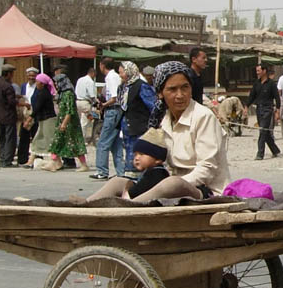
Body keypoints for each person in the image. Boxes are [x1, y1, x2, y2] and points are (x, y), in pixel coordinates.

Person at [135, 61, 231, 199]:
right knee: (119, 182)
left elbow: (207, 169)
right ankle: (93, 208)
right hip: (174, 188)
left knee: (172, 183)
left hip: (206, 191)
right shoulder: (164, 120)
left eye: (185, 87)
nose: (180, 95)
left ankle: (130, 206)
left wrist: (174, 184)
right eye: (172, 89)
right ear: (160, 93)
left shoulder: (203, 117)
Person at [87, 127, 172, 202]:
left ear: (157, 159)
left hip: (145, 204)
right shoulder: (151, 170)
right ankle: (88, 203)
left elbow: (139, 190)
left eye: (141, 154)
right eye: (135, 155)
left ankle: (88, 204)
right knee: (116, 181)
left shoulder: (157, 173)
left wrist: (128, 191)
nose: (137, 158)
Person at [42, 74, 89, 171]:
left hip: (70, 123)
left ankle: (84, 165)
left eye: (57, 82)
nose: (56, 84)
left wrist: (64, 123)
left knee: (75, 142)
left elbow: (70, 110)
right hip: (62, 121)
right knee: (57, 141)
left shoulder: (68, 94)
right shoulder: (62, 94)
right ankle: (56, 162)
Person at [120, 61, 157, 176]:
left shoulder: (141, 86)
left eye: (121, 72)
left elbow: (153, 106)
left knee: (138, 153)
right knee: (129, 153)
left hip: (139, 128)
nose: (120, 75)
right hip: (128, 129)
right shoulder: (124, 87)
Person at [91, 58, 124, 181]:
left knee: (103, 142)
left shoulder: (111, 77)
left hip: (113, 110)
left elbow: (115, 97)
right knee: (115, 144)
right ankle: (121, 171)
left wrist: (104, 105)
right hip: (116, 111)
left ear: (102, 65)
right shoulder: (114, 76)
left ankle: (102, 171)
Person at [247, 61, 281, 159]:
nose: (257, 72)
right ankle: (275, 150)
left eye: (258, 70)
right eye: (256, 71)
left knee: (262, 131)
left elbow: (277, 98)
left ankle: (260, 154)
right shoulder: (256, 84)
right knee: (265, 131)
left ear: (264, 71)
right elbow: (252, 96)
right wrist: (246, 106)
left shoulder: (271, 84)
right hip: (259, 109)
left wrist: (277, 111)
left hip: (267, 109)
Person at [27, 73, 58, 168]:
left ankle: (56, 161)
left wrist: (29, 118)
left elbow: (37, 108)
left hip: (48, 120)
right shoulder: (41, 92)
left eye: (37, 82)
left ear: (42, 84)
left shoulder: (43, 94)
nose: (36, 83)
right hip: (43, 120)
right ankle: (30, 161)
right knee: (37, 139)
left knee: (50, 141)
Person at [0, 63, 19, 169]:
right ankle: (7, 160)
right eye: (12, 73)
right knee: (9, 138)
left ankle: (2, 158)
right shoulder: (8, 86)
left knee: (2, 138)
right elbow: (11, 101)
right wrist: (23, 103)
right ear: (8, 74)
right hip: (8, 116)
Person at [75, 66, 98, 144]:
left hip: (78, 102)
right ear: (92, 73)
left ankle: (83, 137)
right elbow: (92, 95)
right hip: (85, 103)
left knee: (83, 120)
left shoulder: (80, 79)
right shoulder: (89, 81)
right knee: (87, 120)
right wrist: (97, 102)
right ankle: (82, 139)